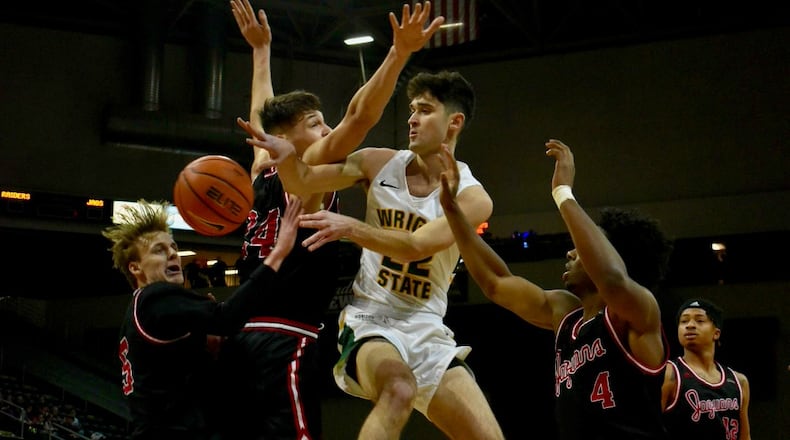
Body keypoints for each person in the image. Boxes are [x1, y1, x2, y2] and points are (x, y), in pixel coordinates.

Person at [217, 1, 445, 439]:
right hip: (287, 337)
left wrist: (261, 52)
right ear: (289, 138)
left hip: (242, 334)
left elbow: (264, 111)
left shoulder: (262, 167)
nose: (325, 132)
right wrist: (398, 54)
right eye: (317, 123)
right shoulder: (310, 172)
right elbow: (360, 119)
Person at [241, 70, 504, 439]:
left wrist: (350, 227)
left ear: (454, 122)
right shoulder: (377, 162)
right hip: (372, 319)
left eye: (425, 111)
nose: (411, 118)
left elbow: (417, 247)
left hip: (428, 328)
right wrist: (287, 158)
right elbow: (301, 182)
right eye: (412, 109)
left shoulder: (473, 198)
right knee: (398, 390)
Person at [437, 139, 675, 439]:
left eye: (581, 248)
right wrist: (452, 210)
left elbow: (612, 279)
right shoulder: (565, 313)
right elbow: (496, 283)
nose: (571, 253)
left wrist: (563, 193)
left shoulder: (638, 311)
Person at [101, 197, 302, 440]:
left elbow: (172, 379)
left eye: (173, 247)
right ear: (135, 268)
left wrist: (205, 344)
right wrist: (278, 254)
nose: (173, 254)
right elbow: (227, 318)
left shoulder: (135, 316)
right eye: (159, 250)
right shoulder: (154, 297)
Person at [661, 298, 752, 439]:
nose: (690, 325)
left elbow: (744, 437)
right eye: (684, 321)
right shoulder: (670, 374)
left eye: (699, 320)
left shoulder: (739, 382)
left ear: (716, 333)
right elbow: (648, 427)